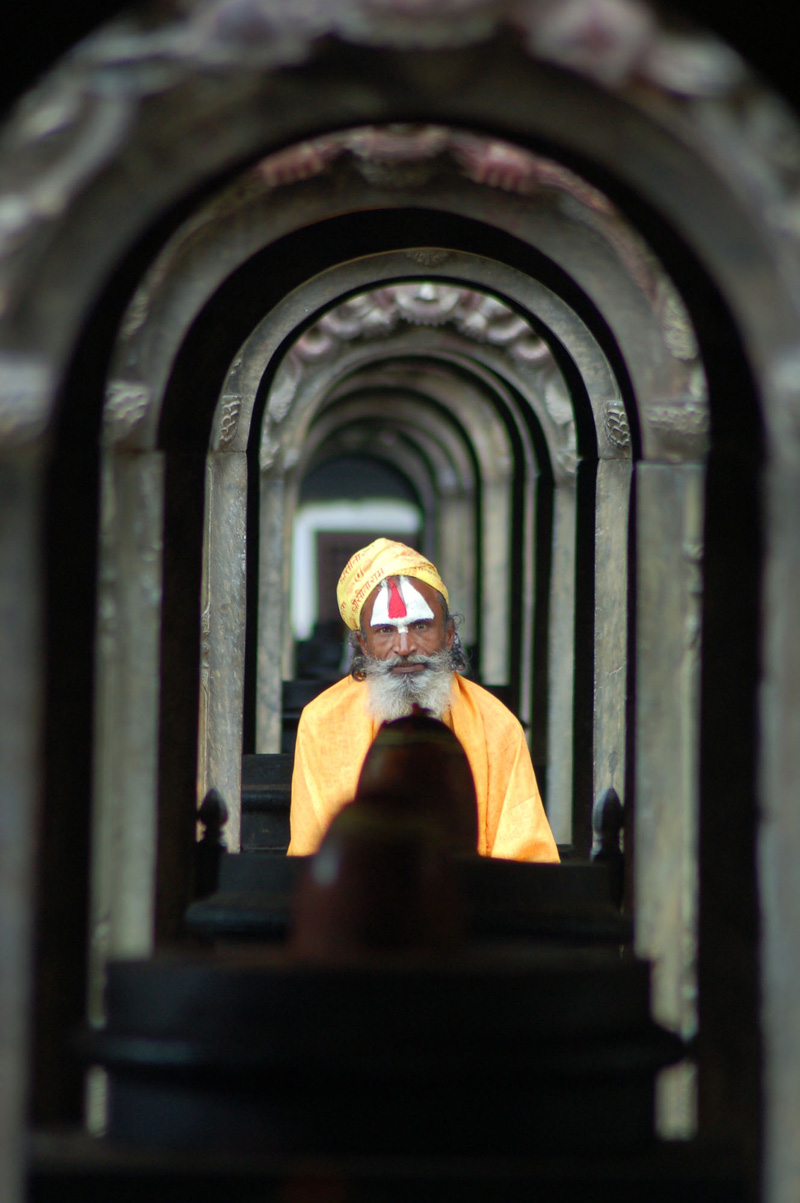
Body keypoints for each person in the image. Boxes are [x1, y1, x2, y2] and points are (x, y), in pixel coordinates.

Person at [287, 538, 559, 862]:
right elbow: (315, 858)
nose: (404, 647)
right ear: (362, 643)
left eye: (419, 625)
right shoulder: (322, 723)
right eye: (385, 630)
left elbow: (524, 859)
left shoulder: (498, 726)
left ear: (448, 633)